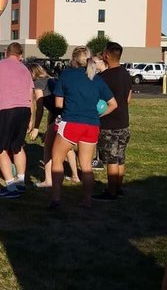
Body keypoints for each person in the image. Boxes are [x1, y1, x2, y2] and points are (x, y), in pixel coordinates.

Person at [50, 46, 117, 209]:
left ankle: (56, 199)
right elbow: (113, 104)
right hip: (92, 125)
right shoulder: (97, 78)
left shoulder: (66, 75)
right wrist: (97, 115)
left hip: (71, 122)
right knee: (86, 166)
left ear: (73, 60)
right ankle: (87, 200)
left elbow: (58, 103)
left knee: (57, 160)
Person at [0, 42, 34, 199]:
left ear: (6, 52)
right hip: (24, 110)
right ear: (20, 55)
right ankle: (21, 181)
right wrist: (31, 118)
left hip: (6, 110)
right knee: (17, 146)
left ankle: (11, 187)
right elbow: (30, 96)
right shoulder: (25, 69)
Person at [92, 42, 132, 201]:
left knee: (111, 159)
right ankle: (118, 188)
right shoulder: (126, 74)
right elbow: (129, 98)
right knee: (121, 157)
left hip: (110, 123)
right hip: (124, 121)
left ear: (107, 55)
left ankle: (111, 192)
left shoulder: (103, 78)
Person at [28, 63, 79, 186]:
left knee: (48, 147)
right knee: (68, 147)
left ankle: (48, 180)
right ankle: (75, 176)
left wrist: (36, 128)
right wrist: (48, 128)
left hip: (60, 115)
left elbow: (40, 107)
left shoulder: (39, 83)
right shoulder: (52, 80)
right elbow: (52, 109)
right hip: (67, 114)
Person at [90, 52, 108, 170]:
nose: (93, 65)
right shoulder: (100, 76)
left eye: (94, 63)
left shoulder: (103, 77)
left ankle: (100, 159)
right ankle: (98, 158)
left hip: (104, 110)